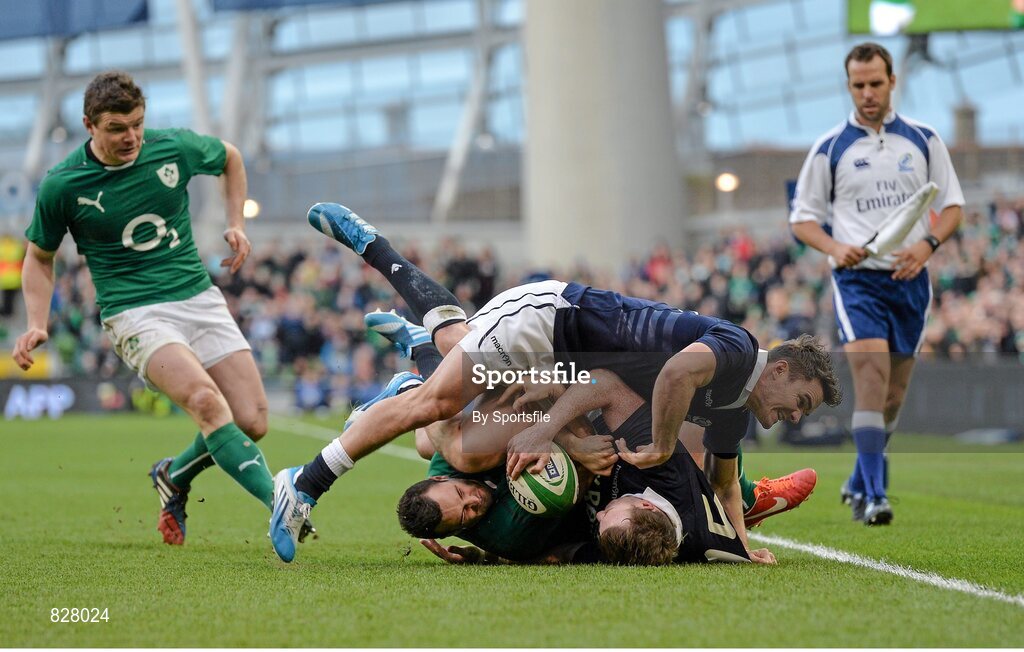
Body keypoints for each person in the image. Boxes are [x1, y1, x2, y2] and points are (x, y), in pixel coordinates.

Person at [269, 203, 840, 563]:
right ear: (783, 369)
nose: (796, 416)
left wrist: (741, 550)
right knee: (436, 407)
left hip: (565, 362)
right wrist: (639, 442)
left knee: (450, 347)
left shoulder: (733, 407)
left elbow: (723, 486)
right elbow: (673, 374)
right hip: (552, 323)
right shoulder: (739, 351)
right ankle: (306, 481)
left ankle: (384, 273)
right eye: (802, 403)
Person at [11, 71, 295, 546]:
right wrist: (37, 323)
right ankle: (282, 505)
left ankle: (173, 474)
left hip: (197, 296)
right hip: (134, 311)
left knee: (251, 421)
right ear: (89, 125)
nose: (132, 137)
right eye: (118, 128)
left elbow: (230, 158)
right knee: (207, 403)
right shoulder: (63, 185)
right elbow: (38, 259)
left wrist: (234, 223)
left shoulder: (172, 148)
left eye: (138, 124)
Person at [790, 43, 964, 525]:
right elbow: (802, 220)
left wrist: (927, 245)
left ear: (892, 82)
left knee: (892, 396)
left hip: (911, 280)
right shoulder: (830, 148)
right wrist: (833, 248)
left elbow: (952, 208)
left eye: (875, 83)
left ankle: (858, 479)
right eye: (858, 85)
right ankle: (874, 496)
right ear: (849, 87)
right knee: (871, 379)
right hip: (857, 281)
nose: (867, 93)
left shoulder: (924, 140)